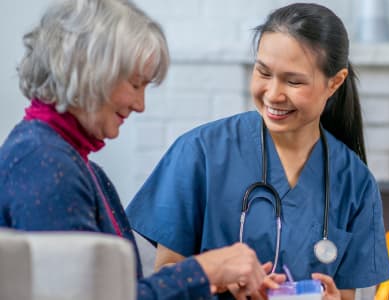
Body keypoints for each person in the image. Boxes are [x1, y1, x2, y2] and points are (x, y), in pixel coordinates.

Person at [0, 0, 283, 299]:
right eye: (136, 85)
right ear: (90, 72)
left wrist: (212, 278)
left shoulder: (74, 163)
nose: (140, 105)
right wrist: (204, 270)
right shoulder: (44, 163)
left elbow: (117, 290)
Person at [126, 2, 389, 300]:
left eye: (293, 81)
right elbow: (166, 278)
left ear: (335, 82)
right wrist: (220, 279)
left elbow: (346, 294)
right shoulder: (200, 153)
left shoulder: (355, 183)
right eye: (263, 72)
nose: (273, 94)